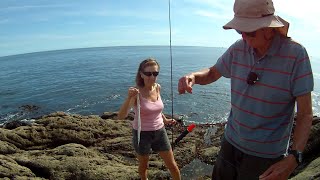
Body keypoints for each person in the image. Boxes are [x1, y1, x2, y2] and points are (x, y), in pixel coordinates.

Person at [178, 0, 314, 179]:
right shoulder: (238, 49)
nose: (243, 37)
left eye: (249, 31)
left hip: (265, 157)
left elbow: (305, 114)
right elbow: (212, 73)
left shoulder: (296, 55)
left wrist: (294, 157)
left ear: (268, 28)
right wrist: (194, 77)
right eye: (239, 30)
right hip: (230, 143)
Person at [118, 58, 181, 180]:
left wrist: (165, 120)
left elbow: (156, 109)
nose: (152, 77)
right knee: (144, 167)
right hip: (142, 135)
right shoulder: (136, 93)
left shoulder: (157, 87)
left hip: (160, 132)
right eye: (148, 73)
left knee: (173, 166)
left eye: (155, 73)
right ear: (141, 74)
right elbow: (121, 116)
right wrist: (128, 98)